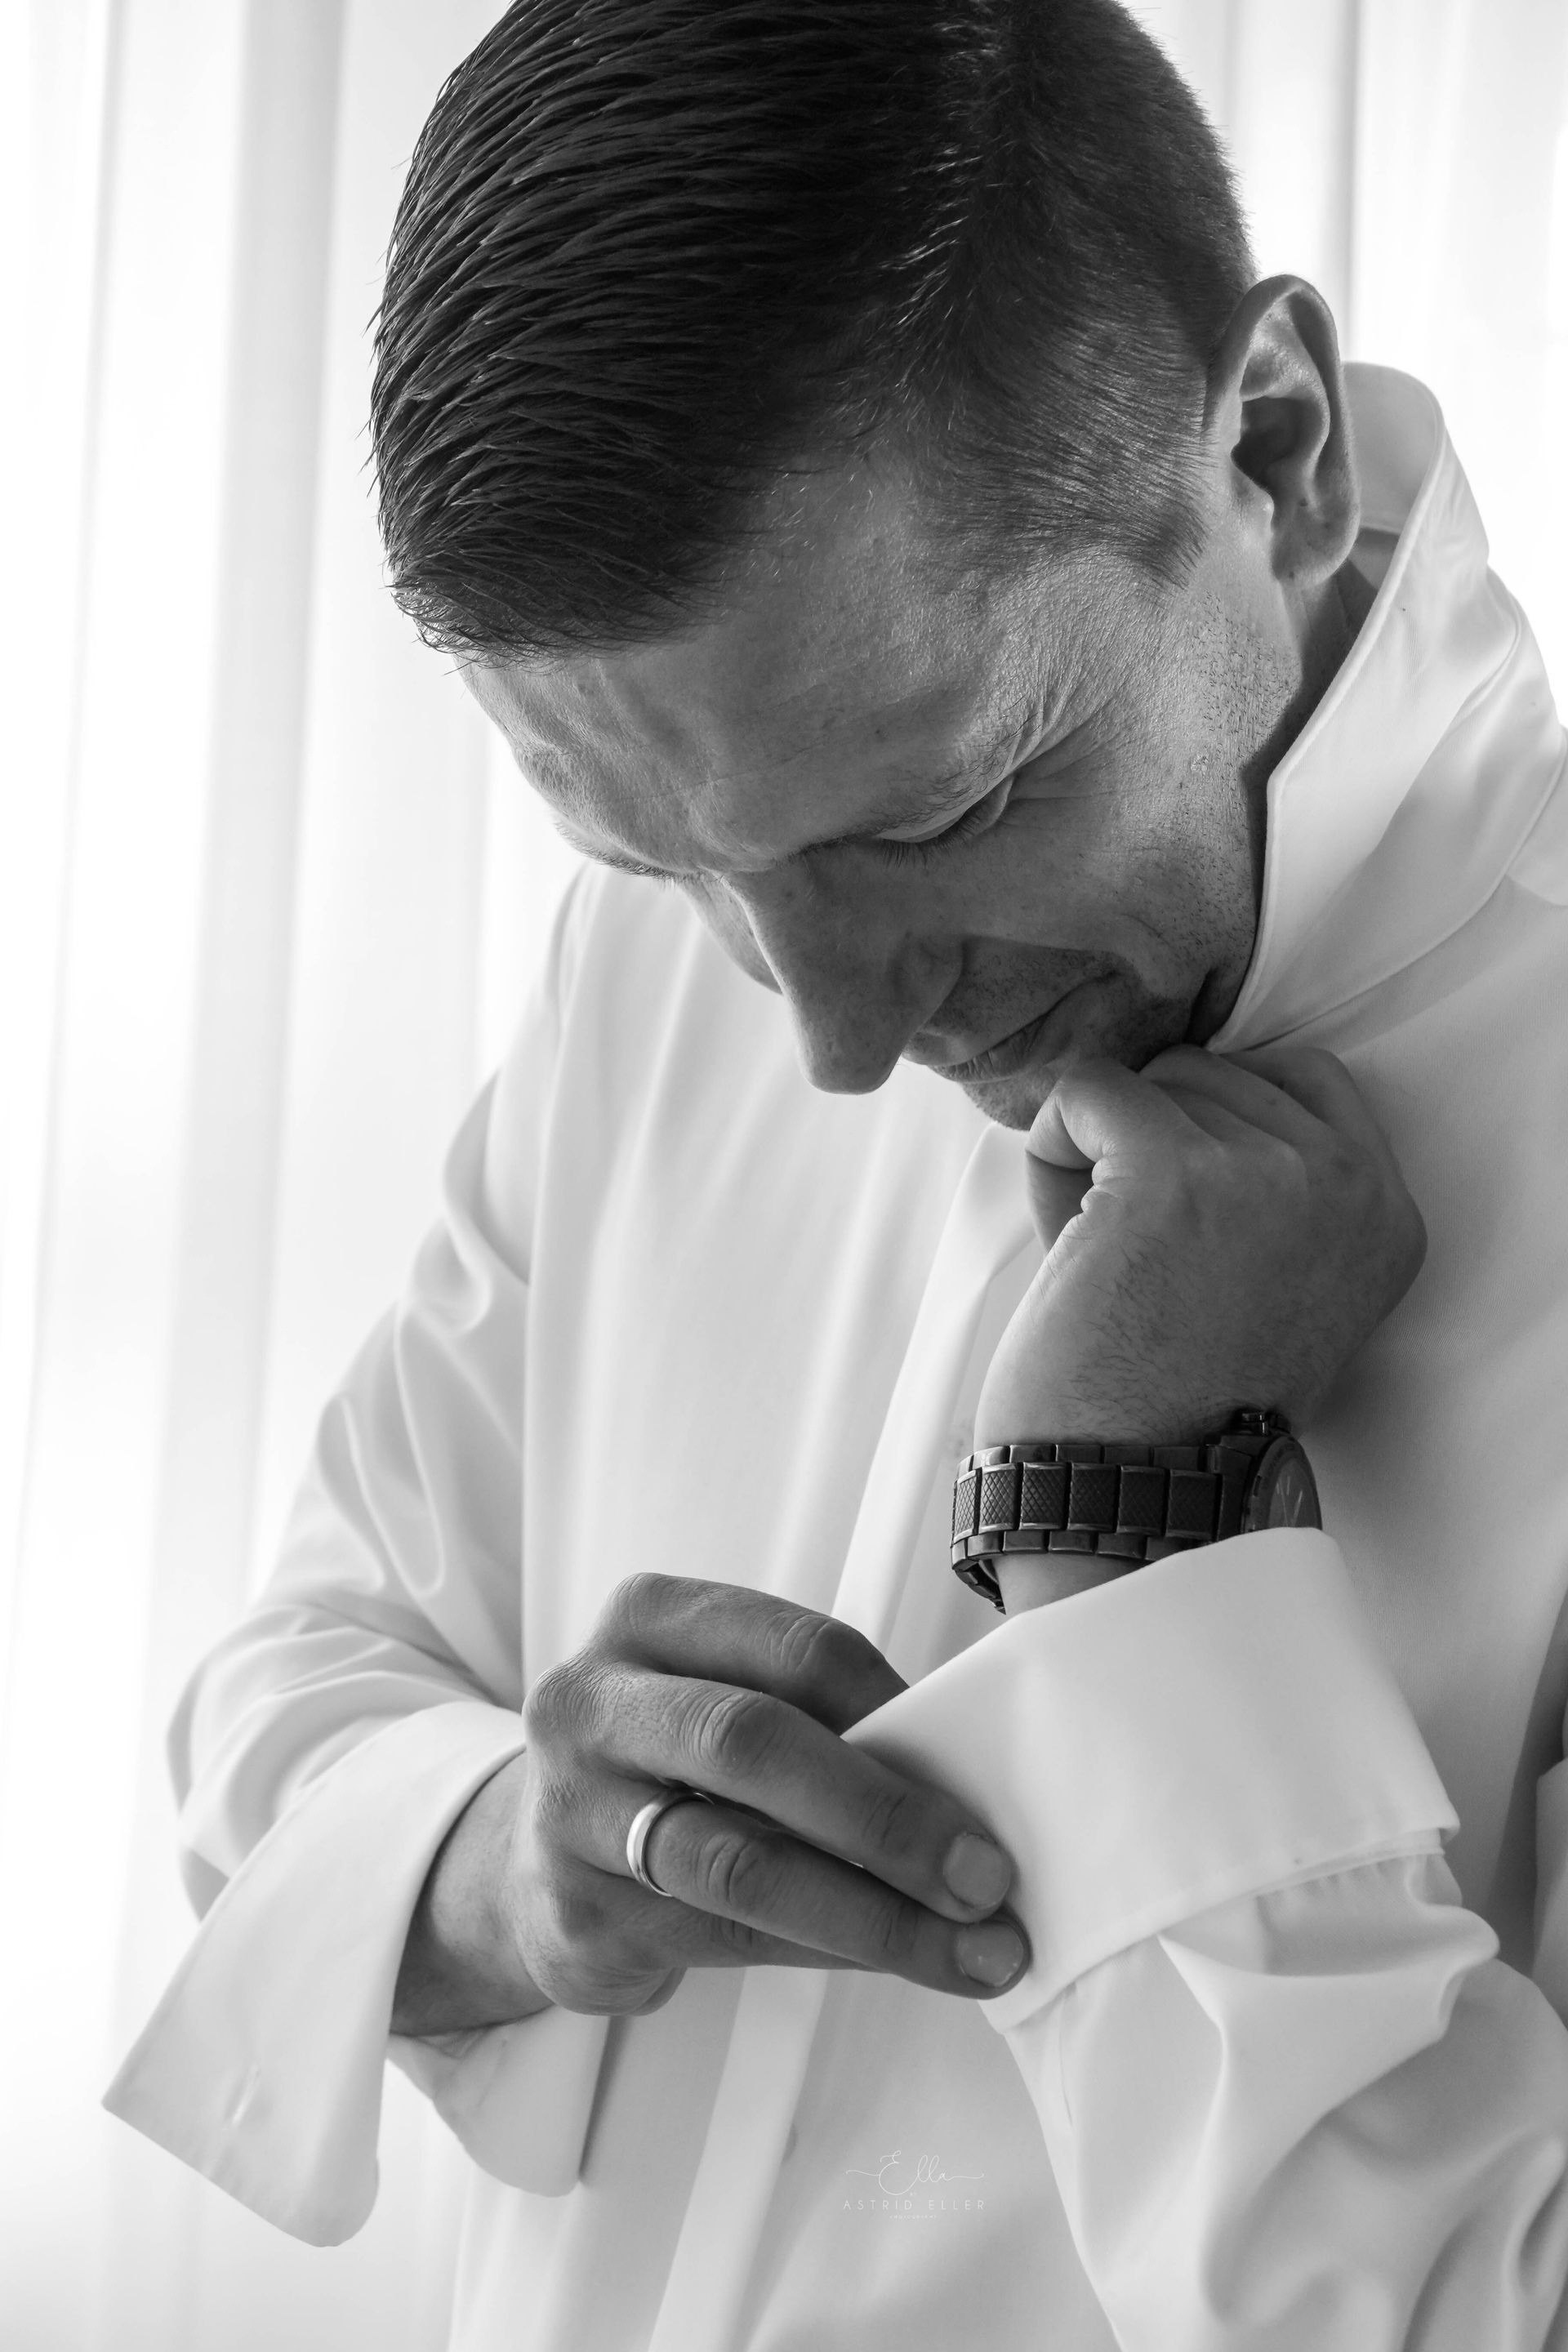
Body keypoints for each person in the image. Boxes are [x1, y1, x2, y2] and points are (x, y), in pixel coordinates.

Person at [105, 0, 1568, 2345]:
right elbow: (303, 1685)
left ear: (1270, 454)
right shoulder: (667, 966)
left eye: (941, 811)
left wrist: (1136, 1540)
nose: (836, 1040)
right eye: (668, 859)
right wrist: (512, 1867)